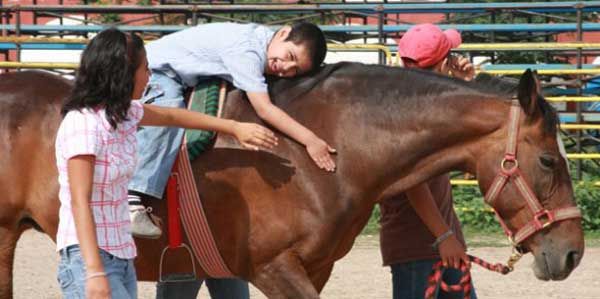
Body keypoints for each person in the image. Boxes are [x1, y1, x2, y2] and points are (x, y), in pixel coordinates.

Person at [55, 28, 277, 299]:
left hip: (122, 255)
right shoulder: (83, 123)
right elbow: (80, 202)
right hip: (88, 258)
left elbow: (172, 117)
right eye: (145, 68)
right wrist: (94, 271)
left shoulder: (125, 114)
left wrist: (233, 127)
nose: (149, 76)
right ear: (123, 73)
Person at [127, 22, 335, 240]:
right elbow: (264, 109)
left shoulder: (266, 43)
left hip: (183, 75)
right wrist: (310, 139)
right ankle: (131, 197)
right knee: (167, 112)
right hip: (158, 71)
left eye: (294, 70)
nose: (285, 69)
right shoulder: (245, 51)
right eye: (290, 56)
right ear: (283, 32)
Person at [379, 23, 477, 299]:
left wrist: (464, 85)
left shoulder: (418, 102)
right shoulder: (407, 113)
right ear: (443, 63)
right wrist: (444, 237)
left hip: (440, 239)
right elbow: (414, 184)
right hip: (421, 243)